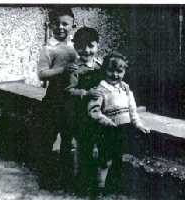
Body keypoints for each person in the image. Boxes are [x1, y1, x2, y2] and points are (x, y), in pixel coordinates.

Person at [87, 52, 150, 198]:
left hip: (123, 130)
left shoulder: (126, 89)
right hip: (107, 131)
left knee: (118, 159)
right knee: (105, 161)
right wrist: (105, 121)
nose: (115, 75)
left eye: (119, 71)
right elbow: (93, 110)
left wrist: (139, 125)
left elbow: (132, 110)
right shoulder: (100, 90)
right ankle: (99, 189)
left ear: (124, 72)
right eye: (111, 71)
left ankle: (114, 187)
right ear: (104, 71)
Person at [37, 6, 77, 190]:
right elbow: (42, 74)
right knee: (47, 139)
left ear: (73, 26)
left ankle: (67, 179)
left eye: (65, 24)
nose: (61, 27)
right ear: (51, 25)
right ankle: (46, 180)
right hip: (53, 100)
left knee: (69, 141)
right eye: (57, 23)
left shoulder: (75, 48)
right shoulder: (48, 48)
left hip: (71, 101)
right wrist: (62, 70)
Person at [64, 27, 104, 193]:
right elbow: (69, 90)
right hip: (82, 114)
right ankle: (80, 179)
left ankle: (99, 180)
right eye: (81, 46)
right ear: (75, 47)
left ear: (98, 46)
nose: (87, 50)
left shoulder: (101, 65)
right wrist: (86, 93)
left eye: (91, 45)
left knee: (100, 145)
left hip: (99, 112)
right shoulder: (75, 68)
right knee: (83, 146)